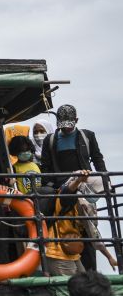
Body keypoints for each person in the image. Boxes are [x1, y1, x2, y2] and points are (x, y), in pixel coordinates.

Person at [40, 104, 106, 272]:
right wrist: (50, 188)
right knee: (63, 230)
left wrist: (105, 180)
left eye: (70, 125)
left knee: (88, 231)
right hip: (61, 190)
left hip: (84, 188)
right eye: (63, 126)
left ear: (76, 121)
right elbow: (45, 167)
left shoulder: (88, 136)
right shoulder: (50, 140)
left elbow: (97, 159)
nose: (67, 129)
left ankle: (91, 273)